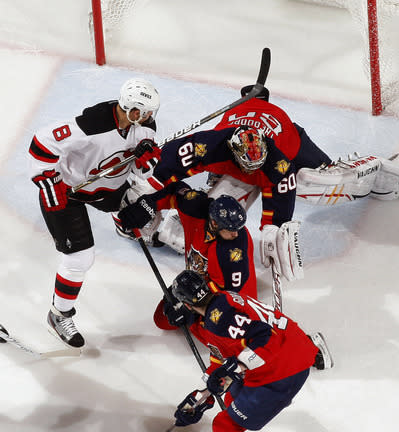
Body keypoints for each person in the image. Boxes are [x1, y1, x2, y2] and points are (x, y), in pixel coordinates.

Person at [146, 85, 399, 282]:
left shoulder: (278, 161)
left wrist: (273, 228)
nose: (253, 169)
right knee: (212, 213)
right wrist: (147, 196)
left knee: (316, 183)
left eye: (256, 164)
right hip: (235, 160)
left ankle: (376, 171)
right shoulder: (211, 145)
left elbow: (282, 191)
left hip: (292, 139)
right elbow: (169, 160)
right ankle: (200, 202)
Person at [28, 77, 162, 347]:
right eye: (146, 112)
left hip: (110, 188)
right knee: (79, 258)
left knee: (149, 201)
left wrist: (146, 161)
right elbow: (40, 145)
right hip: (69, 192)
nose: (150, 117)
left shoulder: (144, 127)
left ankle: (122, 222)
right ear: (133, 111)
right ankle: (59, 314)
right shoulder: (90, 126)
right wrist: (50, 184)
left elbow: (140, 171)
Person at [165, 270, 333, 430]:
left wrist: (236, 368)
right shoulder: (222, 300)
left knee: (225, 425)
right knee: (232, 397)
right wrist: (205, 394)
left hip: (285, 370)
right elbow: (224, 352)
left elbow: (267, 338)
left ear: (187, 306)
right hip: (291, 345)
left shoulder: (219, 320)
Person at [116, 182, 259, 328]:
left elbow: (229, 290)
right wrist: (147, 206)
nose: (236, 233)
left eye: (237, 228)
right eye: (230, 229)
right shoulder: (196, 207)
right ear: (215, 223)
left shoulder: (233, 250)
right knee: (162, 319)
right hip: (199, 279)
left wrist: (190, 306)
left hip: (233, 297)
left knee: (215, 327)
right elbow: (175, 190)